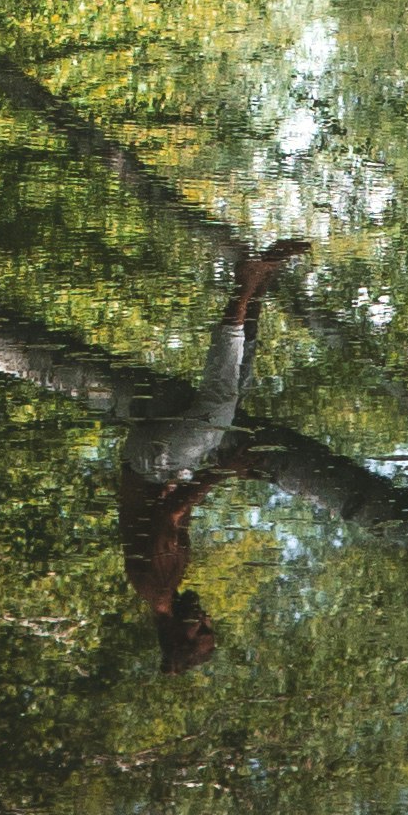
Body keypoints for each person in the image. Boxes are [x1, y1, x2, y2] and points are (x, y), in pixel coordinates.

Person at [115, 239, 309, 670]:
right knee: (235, 399)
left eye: (199, 630)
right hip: (160, 467)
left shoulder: (158, 586)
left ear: (177, 636)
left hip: (152, 464)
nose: (205, 619)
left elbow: (168, 516)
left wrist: (225, 471)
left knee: (219, 402)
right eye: (208, 626)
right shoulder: (161, 588)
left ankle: (245, 284)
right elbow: (172, 512)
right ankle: (260, 287)